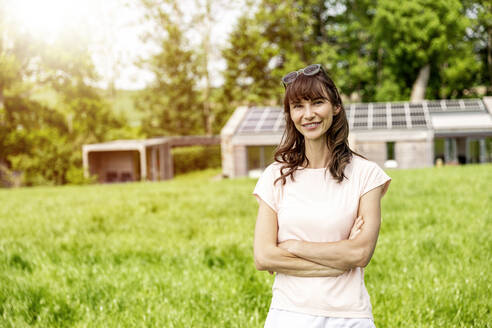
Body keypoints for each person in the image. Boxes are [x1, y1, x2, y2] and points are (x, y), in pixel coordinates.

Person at [252, 64, 391, 328]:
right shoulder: (274, 177)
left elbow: (360, 253)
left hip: (350, 317)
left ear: (336, 106)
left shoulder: (366, 175)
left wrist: (293, 247)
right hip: (288, 314)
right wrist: (338, 264)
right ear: (290, 114)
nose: (308, 115)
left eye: (317, 103)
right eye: (298, 106)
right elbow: (264, 257)